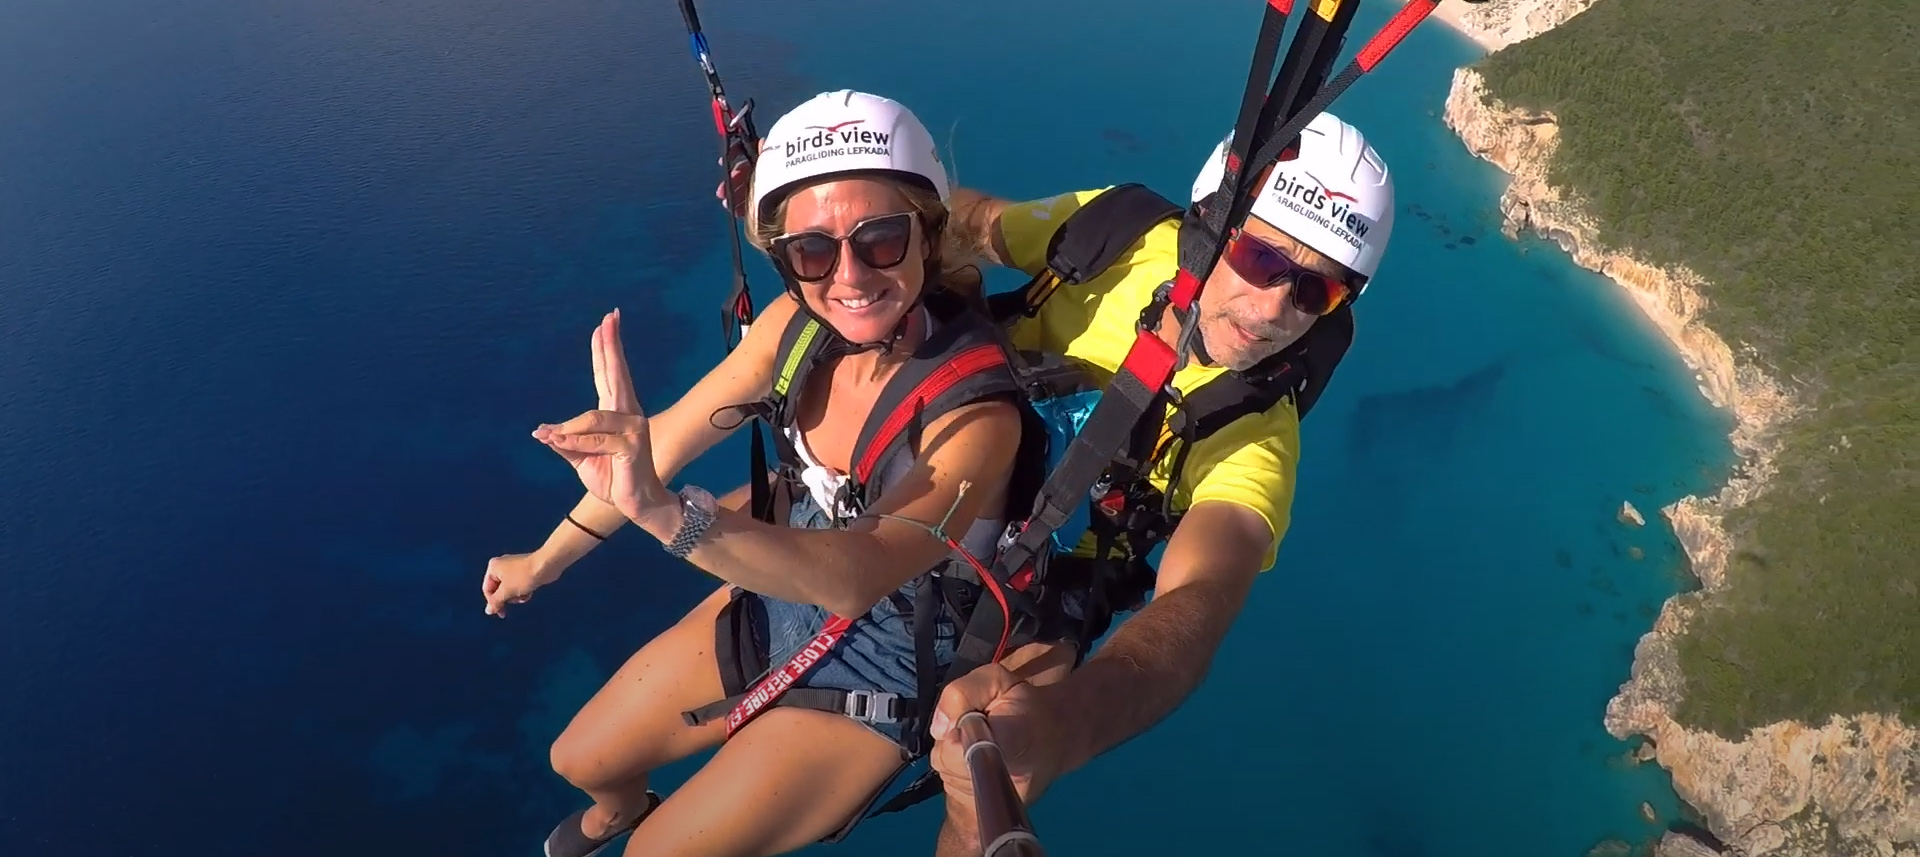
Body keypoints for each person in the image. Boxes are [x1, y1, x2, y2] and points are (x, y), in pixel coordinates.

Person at [479, 89, 1039, 857]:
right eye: (813, 252)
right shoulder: (793, 333)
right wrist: (543, 560)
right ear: (785, 262)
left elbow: (862, 573)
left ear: (929, 236)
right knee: (578, 759)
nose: (849, 275)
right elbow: (655, 450)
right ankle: (619, 808)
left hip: (902, 641)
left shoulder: (975, 417)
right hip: (791, 572)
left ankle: (634, 828)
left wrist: (664, 513)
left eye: (880, 240)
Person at [920, 111, 1397, 855]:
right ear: (1204, 231)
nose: (1273, 308)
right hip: (936, 462)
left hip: (1042, 587)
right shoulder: (1120, 236)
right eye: (1259, 258)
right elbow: (976, 223)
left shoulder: (1255, 433)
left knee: (992, 788)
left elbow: (1198, 601)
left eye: (1315, 292)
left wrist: (1063, 726)